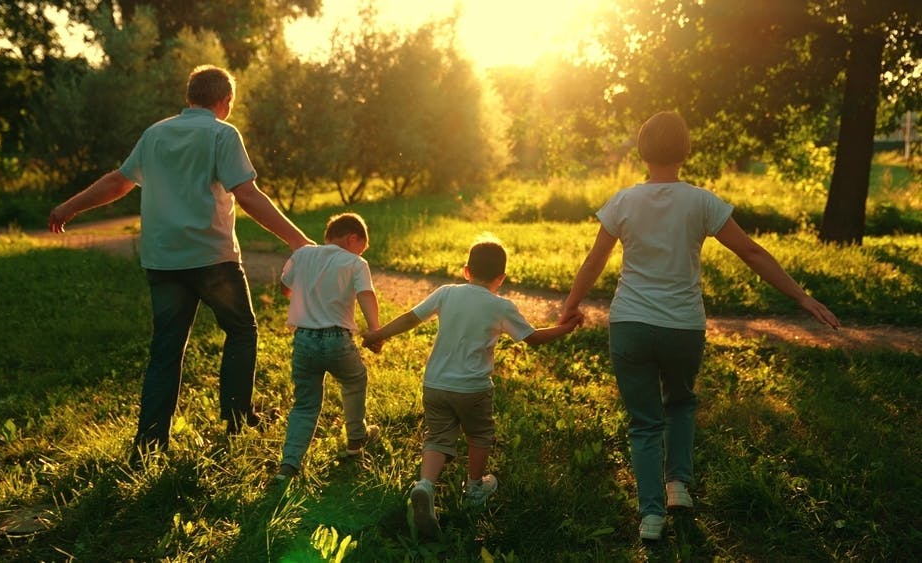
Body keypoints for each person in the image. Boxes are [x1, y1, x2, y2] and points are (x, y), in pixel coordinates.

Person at [558, 111, 840, 541]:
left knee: (644, 422)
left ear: (642, 150)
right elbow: (751, 252)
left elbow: (596, 259)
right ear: (685, 151)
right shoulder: (702, 202)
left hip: (630, 323)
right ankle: (677, 486)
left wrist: (571, 305)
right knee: (680, 402)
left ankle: (651, 517)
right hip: (682, 327)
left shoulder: (623, 201)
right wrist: (802, 297)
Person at [48, 65, 315, 459]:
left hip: (164, 261)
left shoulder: (155, 134)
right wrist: (298, 241)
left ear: (190, 97)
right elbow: (247, 194)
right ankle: (238, 419)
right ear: (226, 101)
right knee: (241, 331)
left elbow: (118, 181)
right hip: (213, 259)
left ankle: (149, 443)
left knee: (166, 350)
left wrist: (69, 207)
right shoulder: (222, 134)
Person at [362, 239, 582, 538]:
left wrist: (379, 334)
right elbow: (532, 338)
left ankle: (425, 485)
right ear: (501, 278)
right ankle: (475, 488)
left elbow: (411, 318)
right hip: (473, 388)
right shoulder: (501, 306)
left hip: (436, 384)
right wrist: (566, 328)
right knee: (479, 435)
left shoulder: (446, 292)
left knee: (437, 437)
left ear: (467, 271)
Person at [275, 212, 383, 482]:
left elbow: (285, 289)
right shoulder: (355, 263)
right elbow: (366, 294)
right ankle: (356, 439)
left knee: (305, 404)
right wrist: (375, 330)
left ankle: (288, 465)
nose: (360, 253)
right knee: (354, 381)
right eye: (361, 248)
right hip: (338, 340)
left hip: (304, 340)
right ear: (352, 238)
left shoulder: (302, 254)